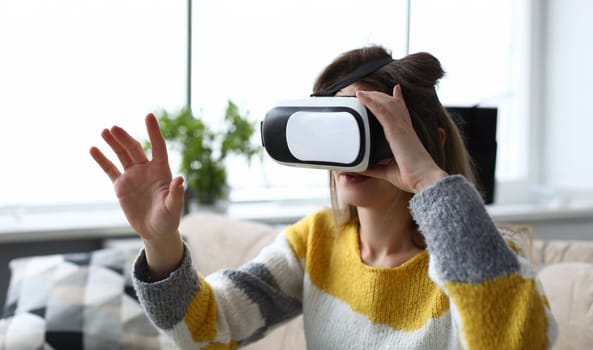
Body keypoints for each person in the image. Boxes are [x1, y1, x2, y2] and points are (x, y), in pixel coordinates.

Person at [90, 46, 557, 349]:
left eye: (372, 127)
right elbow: (204, 330)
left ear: (428, 142)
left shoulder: (487, 257)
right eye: (337, 125)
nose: (351, 154)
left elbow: (513, 340)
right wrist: (160, 240)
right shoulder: (315, 242)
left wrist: (428, 181)